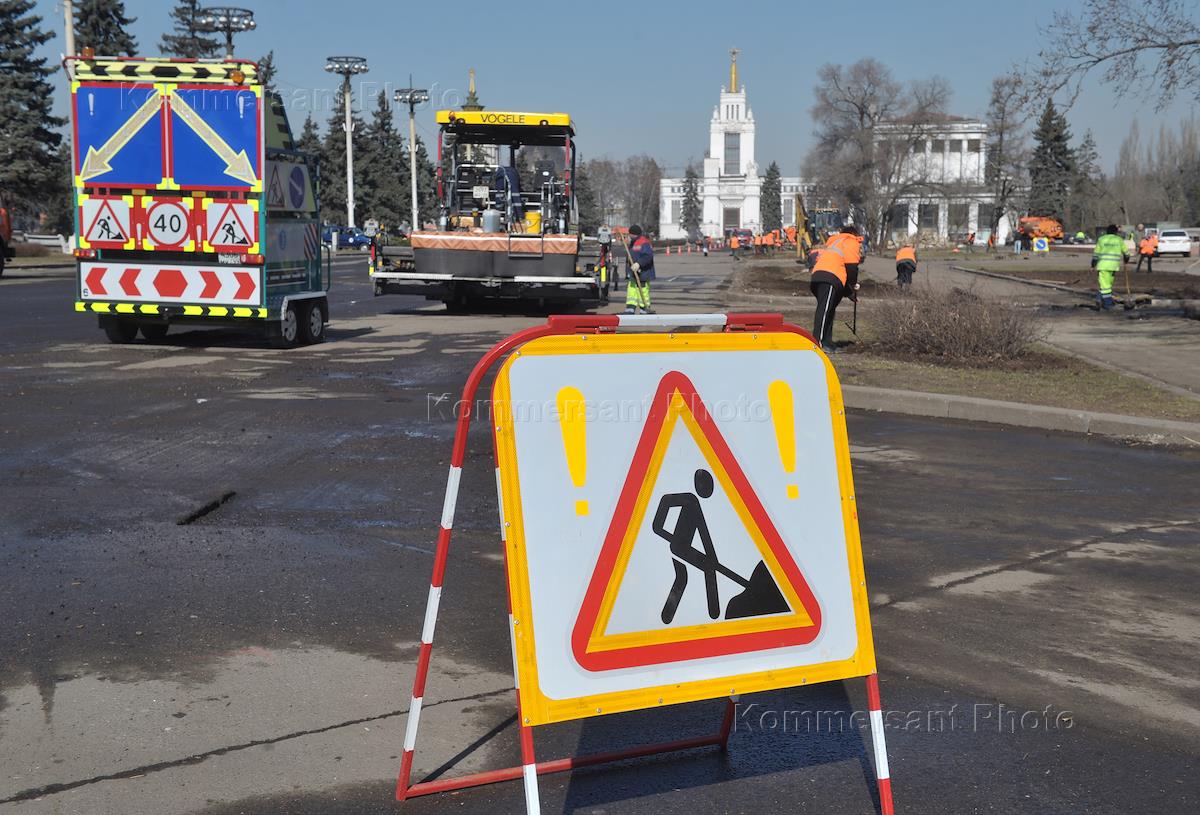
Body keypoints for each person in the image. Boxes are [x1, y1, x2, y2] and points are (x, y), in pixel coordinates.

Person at [810, 227, 859, 354]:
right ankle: (818, 343)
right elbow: (851, 267)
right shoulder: (850, 241)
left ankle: (827, 342)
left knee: (829, 310)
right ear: (853, 234)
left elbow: (843, 267)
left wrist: (849, 293)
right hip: (830, 277)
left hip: (820, 275)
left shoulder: (835, 242)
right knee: (825, 310)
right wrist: (852, 286)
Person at [1092, 224, 1127, 311]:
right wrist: (1126, 259)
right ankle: (1101, 300)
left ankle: (1106, 303)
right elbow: (1126, 253)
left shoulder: (1101, 239)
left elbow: (1096, 254)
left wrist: (1093, 263)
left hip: (1103, 265)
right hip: (1114, 266)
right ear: (1116, 232)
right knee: (1107, 285)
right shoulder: (1119, 240)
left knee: (1105, 285)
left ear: (1107, 231)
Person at [624, 224, 655, 314]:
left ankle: (644, 308)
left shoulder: (644, 242)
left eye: (630, 234)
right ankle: (630, 308)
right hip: (633, 272)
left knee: (643, 290)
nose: (629, 236)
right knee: (632, 289)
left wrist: (638, 264)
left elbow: (648, 256)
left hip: (643, 273)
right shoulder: (633, 242)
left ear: (634, 234)